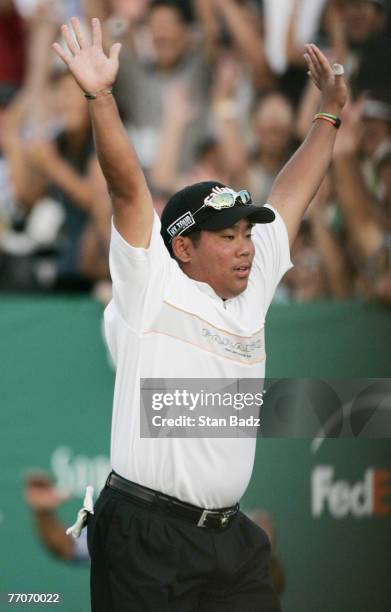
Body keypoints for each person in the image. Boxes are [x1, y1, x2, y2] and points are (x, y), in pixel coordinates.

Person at [53, 16, 347, 611]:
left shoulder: (251, 281)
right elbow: (129, 190)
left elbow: (291, 195)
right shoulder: (150, 282)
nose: (245, 246)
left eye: (246, 234)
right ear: (182, 246)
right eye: (227, 236)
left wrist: (329, 115)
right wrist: (101, 96)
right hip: (144, 537)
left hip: (229, 540)